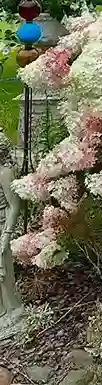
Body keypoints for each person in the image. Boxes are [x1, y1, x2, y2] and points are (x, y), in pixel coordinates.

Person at [0, 130, 23, 327]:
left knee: (4, 272)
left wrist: (6, 234)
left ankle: (14, 309)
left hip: (2, 225)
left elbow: (14, 206)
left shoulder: (5, 173)